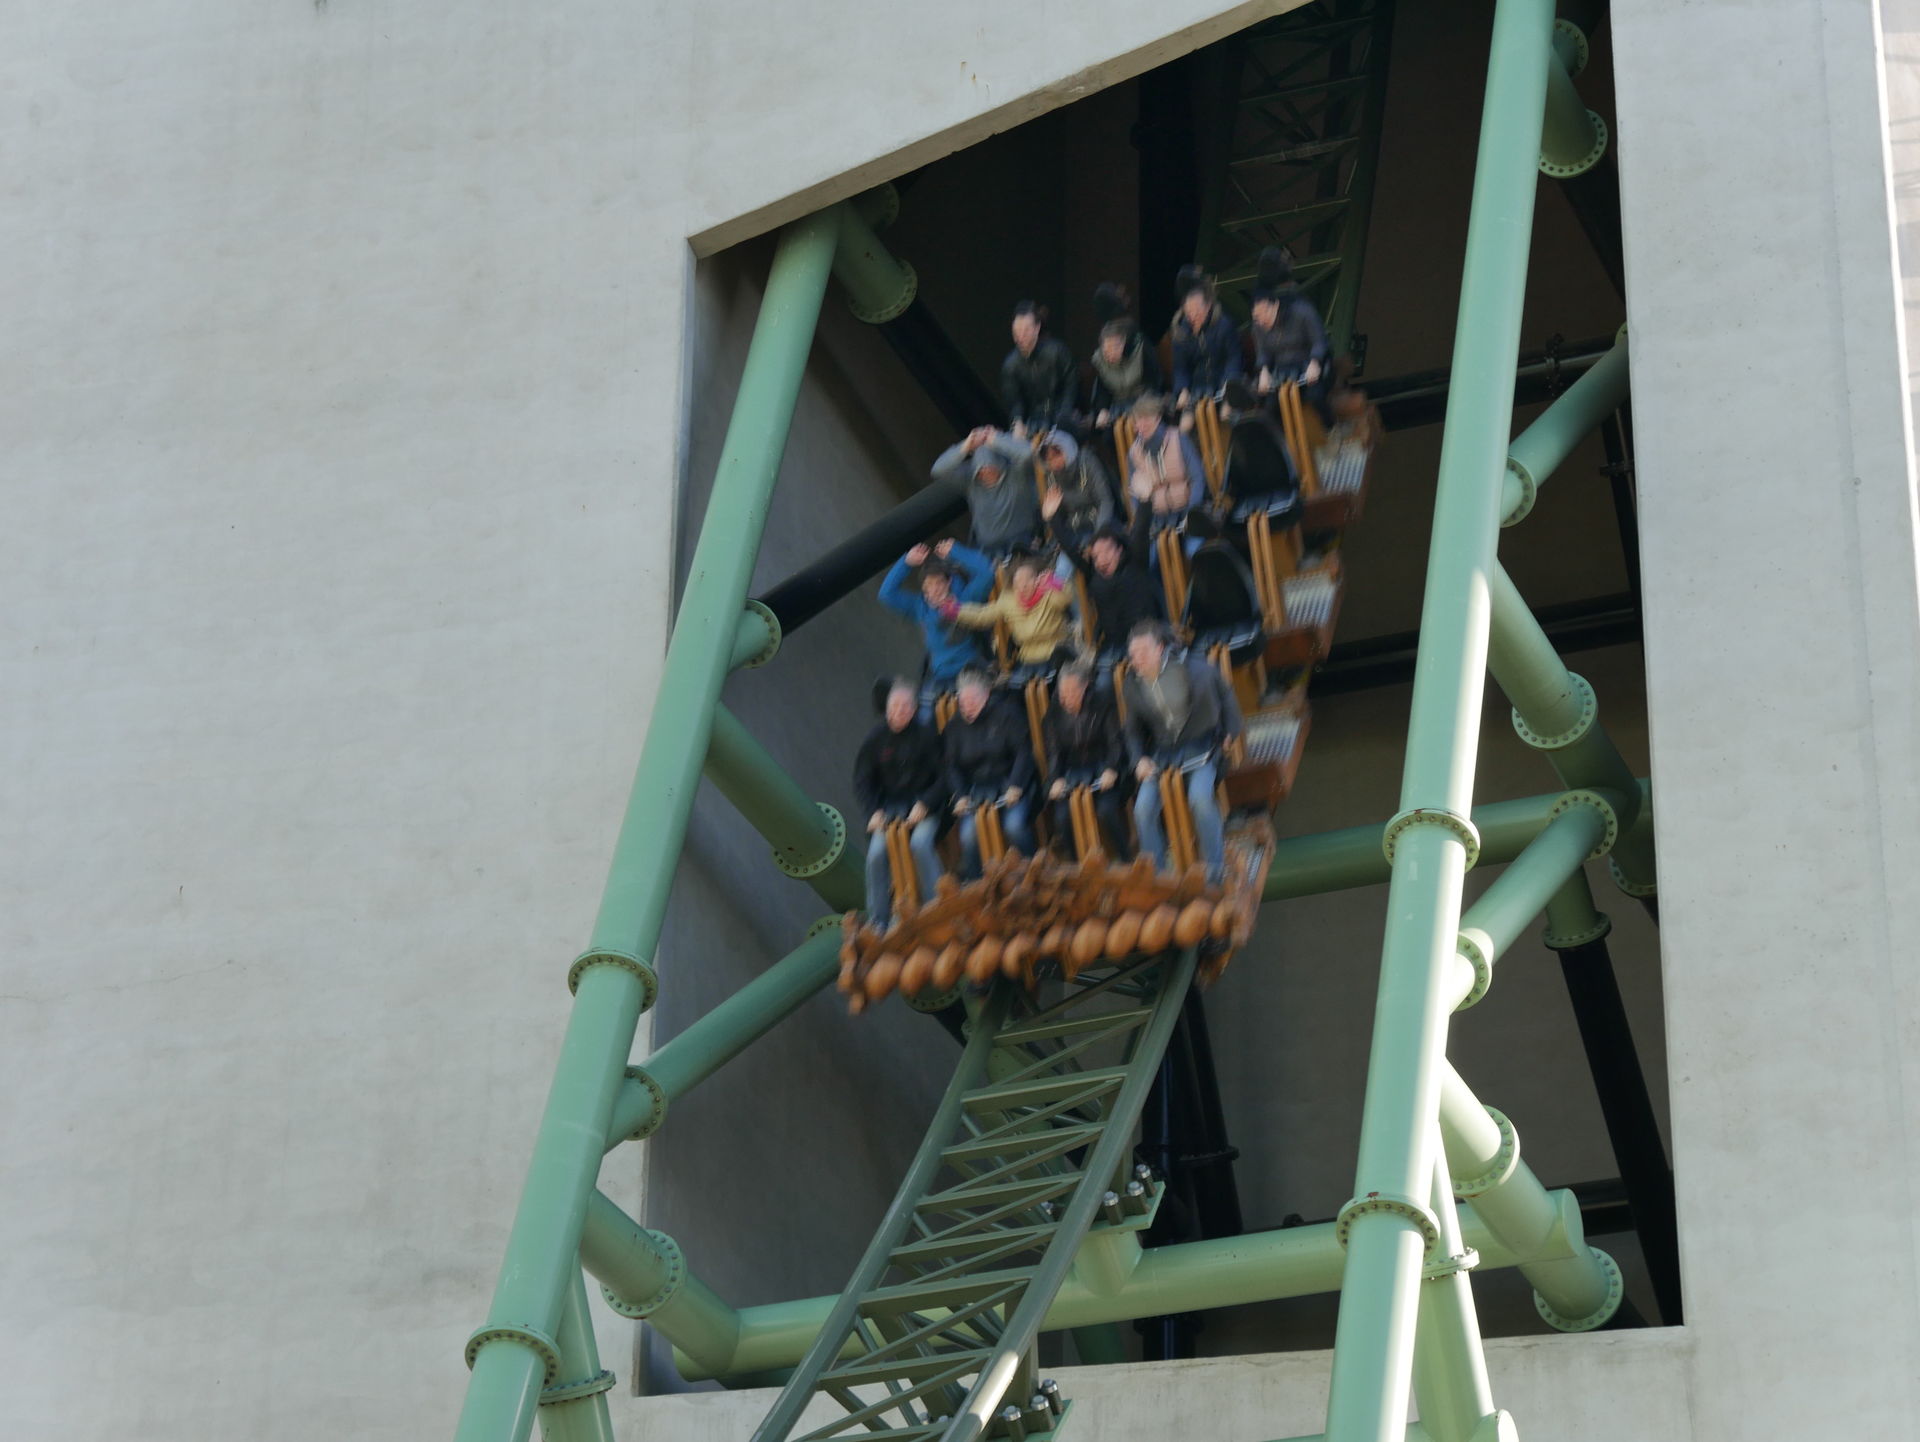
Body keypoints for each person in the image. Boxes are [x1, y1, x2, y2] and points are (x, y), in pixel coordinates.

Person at [1122, 622, 1244, 884]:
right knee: (1143, 809)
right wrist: (1138, 759)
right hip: (1163, 751)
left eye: (1143, 652)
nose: (1137, 659)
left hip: (1201, 745)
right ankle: (1157, 878)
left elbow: (1225, 695)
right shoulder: (1131, 684)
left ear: (1160, 649)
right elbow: (1132, 730)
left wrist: (1229, 731)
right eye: (1133, 654)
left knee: (1199, 799)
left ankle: (1215, 871)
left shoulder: (1193, 669)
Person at [852, 679, 949, 930]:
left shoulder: (926, 735)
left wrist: (925, 804)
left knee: (920, 844)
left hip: (924, 808)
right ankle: (878, 921)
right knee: (876, 854)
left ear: (914, 709)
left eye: (906, 706)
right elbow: (862, 782)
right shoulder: (874, 740)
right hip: (888, 810)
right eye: (895, 706)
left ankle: (938, 905)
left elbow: (944, 776)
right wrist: (873, 812)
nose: (900, 711)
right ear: (887, 709)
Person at [878, 538, 995, 718]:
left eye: (938, 583)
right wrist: (906, 562)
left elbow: (986, 573)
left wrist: (955, 551)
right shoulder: (919, 607)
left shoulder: (965, 598)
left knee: (968, 706)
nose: (934, 590)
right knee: (925, 717)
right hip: (940, 676)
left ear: (948, 583)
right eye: (928, 586)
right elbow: (886, 594)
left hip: (970, 670)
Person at [943, 667, 1037, 876]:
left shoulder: (1007, 715)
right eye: (963, 703)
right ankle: (977, 883)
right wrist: (960, 795)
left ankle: (1034, 873)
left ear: (985, 696)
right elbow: (951, 766)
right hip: (975, 791)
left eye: (972, 701)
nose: (967, 707)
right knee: (968, 836)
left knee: (1014, 827)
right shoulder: (954, 727)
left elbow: (1023, 753)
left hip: (1009, 785)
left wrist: (1016, 785)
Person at [1043, 661, 1132, 860]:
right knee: (1062, 817)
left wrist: (1111, 768)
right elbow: (1053, 753)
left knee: (1106, 811)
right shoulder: (1053, 713)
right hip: (1072, 771)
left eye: (1072, 692)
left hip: (1103, 767)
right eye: (1062, 693)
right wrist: (1055, 779)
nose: (1066, 699)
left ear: (1084, 687)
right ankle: (1076, 864)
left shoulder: (1103, 703)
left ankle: (1125, 858)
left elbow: (1115, 742)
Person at [1053, 505, 1161, 662]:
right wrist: (1053, 519)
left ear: (1119, 550)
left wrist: (1145, 501)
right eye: (1096, 556)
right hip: (1113, 646)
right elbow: (1070, 548)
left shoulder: (1136, 563)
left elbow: (1140, 531)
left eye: (1107, 551)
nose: (1102, 559)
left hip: (1144, 639)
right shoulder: (1092, 573)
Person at [942, 554, 1073, 677]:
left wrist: (1056, 584)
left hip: (1056, 652)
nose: (1023, 586)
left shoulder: (1049, 593)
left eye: (1027, 580)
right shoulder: (1008, 600)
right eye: (1018, 582)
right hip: (1028, 658)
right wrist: (958, 611)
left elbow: (1067, 598)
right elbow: (983, 614)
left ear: (1037, 579)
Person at [1239, 248, 1331, 419]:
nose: (1261, 320)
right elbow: (1263, 352)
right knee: (1269, 406)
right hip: (1282, 368)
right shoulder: (1258, 324)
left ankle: (1330, 428)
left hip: (1306, 363)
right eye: (1257, 317)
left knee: (1315, 397)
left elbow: (1318, 340)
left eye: (1264, 314)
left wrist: (1315, 362)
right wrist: (1264, 372)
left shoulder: (1301, 309)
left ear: (1274, 305)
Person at [931, 426, 1042, 556]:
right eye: (980, 471)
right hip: (988, 550)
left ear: (999, 465)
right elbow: (937, 470)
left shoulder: (1016, 473)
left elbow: (1029, 453)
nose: (985, 473)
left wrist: (995, 439)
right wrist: (965, 446)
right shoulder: (969, 482)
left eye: (990, 467)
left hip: (1025, 541)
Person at [1169, 274, 1243, 420]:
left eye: (1197, 312)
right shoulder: (1180, 332)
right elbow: (1180, 368)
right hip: (1198, 385)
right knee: (1186, 422)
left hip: (1223, 378)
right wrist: (1183, 390)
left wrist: (1228, 383)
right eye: (1189, 313)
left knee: (1227, 413)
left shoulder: (1224, 324)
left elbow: (1234, 358)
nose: (1193, 317)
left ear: (1208, 306)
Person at [1126, 394, 1207, 526]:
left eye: (1147, 418)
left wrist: (1191, 513)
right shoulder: (1133, 453)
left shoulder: (1179, 439)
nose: (1142, 425)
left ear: (1158, 418)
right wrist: (1144, 522)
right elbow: (1134, 495)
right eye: (1138, 420)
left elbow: (1197, 477)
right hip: (1156, 518)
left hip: (1186, 508)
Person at [1000, 302, 1078, 439]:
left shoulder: (1057, 351)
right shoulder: (1010, 365)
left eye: (1026, 330)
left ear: (1037, 328)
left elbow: (1071, 382)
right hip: (1033, 420)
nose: (1021, 335)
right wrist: (1017, 422)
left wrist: (1066, 411)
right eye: (1017, 331)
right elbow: (1014, 402)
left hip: (1061, 414)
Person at [1036, 430, 1116, 558]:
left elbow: (1105, 500)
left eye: (1057, 455)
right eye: (1049, 459)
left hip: (1100, 525)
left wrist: (1099, 536)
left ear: (1067, 450)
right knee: (1063, 566)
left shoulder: (1087, 462)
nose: (1054, 462)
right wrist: (1051, 516)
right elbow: (1059, 516)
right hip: (1074, 531)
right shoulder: (1051, 477)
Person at [1086, 318, 1163, 431]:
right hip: (1118, 403)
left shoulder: (1141, 349)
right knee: (1110, 430)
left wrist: (1143, 406)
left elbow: (1155, 381)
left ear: (1123, 344)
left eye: (1114, 348)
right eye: (1106, 351)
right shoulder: (1099, 360)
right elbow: (1102, 390)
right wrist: (1102, 410)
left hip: (1142, 398)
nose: (1110, 354)